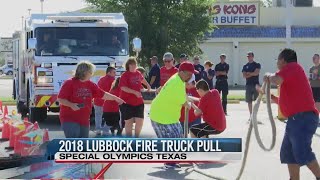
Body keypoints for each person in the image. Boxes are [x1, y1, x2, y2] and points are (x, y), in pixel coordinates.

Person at [264, 48, 320, 180]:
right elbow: (289, 101)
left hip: (303, 118)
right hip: (295, 119)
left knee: (302, 152)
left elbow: (276, 79)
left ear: (283, 60)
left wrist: (267, 76)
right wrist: (272, 97)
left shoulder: (292, 67)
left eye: (278, 60)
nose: (277, 63)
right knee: (289, 154)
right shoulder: (291, 74)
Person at [57, 61, 124, 138]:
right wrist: (71, 105)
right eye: (90, 72)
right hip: (70, 119)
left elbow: (103, 94)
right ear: (84, 72)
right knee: (74, 142)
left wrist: (116, 98)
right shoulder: (69, 83)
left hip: (84, 120)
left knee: (83, 145)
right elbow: (60, 99)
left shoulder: (91, 84)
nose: (92, 74)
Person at [150, 62, 197, 169]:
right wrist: (189, 104)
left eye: (191, 74)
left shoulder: (178, 79)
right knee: (175, 139)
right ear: (181, 72)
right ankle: (170, 163)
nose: (190, 77)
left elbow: (182, 96)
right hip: (161, 116)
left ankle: (171, 161)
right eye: (189, 74)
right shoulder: (176, 83)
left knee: (176, 137)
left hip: (165, 115)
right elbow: (184, 102)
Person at [119, 57, 151, 137]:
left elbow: (142, 79)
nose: (133, 66)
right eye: (131, 64)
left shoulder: (138, 73)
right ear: (128, 65)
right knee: (128, 122)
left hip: (139, 102)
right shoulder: (124, 75)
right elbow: (123, 87)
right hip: (127, 102)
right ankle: (129, 140)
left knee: (140, 121)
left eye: (135, 64)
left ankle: (136, 138)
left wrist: (147, 85)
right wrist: (134, 92)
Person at [93, 66, 116, 136]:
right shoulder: (113, 80)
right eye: (114, 72)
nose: (115, 74)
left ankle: (98, 130)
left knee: (98, 116)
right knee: (109, 116)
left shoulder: (101, 79)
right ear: (109, 73)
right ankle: (105, 130)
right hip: (107, 102)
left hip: (97, 101)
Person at [242, 51, 261, 120]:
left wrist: (249, 73)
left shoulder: (257, 64)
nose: (249, 57)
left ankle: (255, 115)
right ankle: (251, 115)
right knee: (249, 101)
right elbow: (244, 75)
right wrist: (251, 73)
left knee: (256, 101)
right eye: (248, 56)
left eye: (250, 56)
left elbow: (256, 73)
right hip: (248, 85)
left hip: (256, 84)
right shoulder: (245, 66)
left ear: (253, 56)